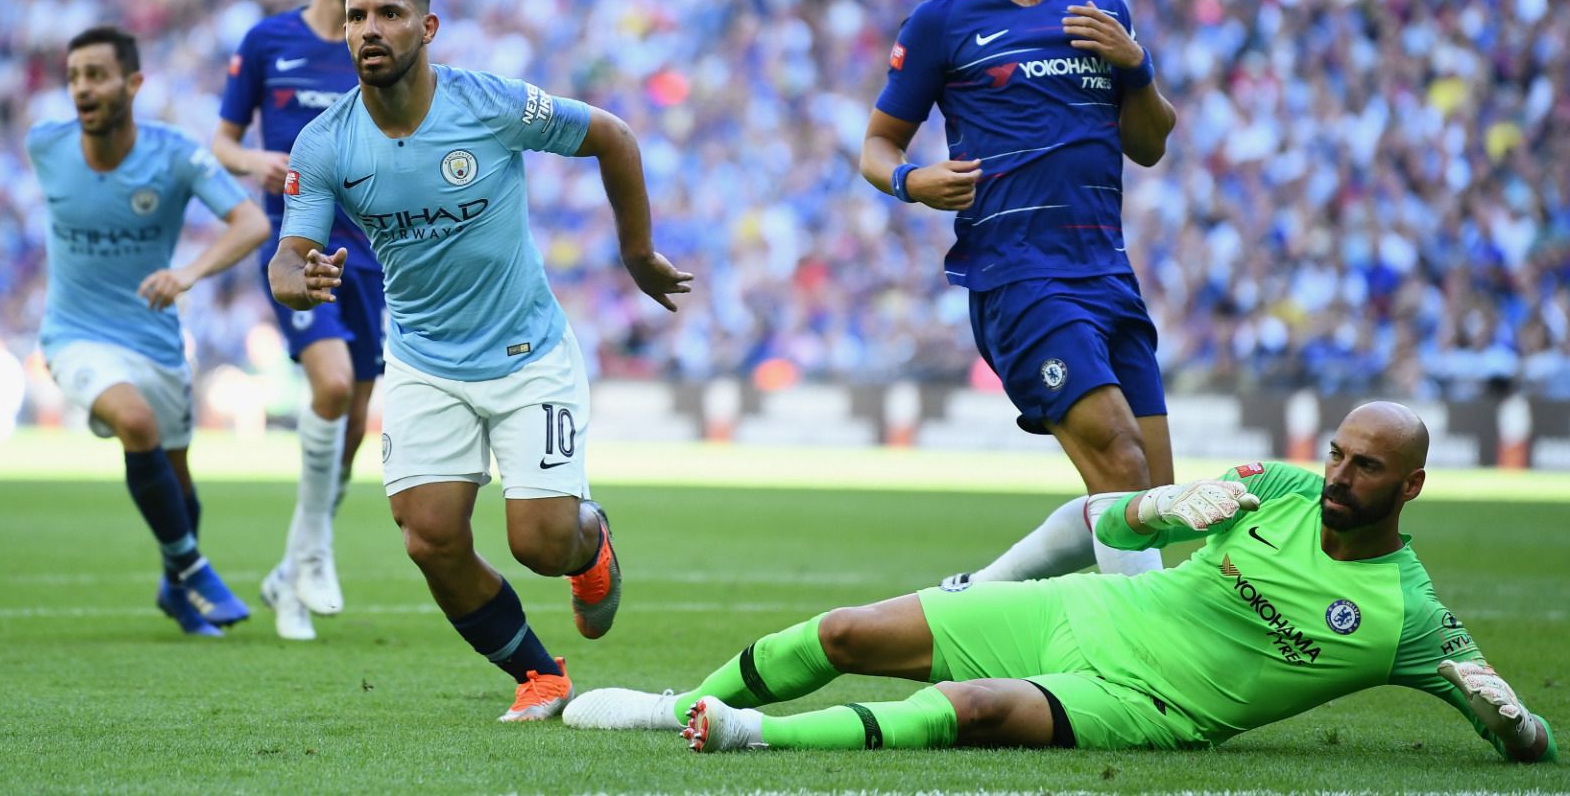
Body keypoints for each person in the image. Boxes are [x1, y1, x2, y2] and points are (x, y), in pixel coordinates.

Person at [564, 403, 1558, 765]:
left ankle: (748, 735)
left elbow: (1529, 741)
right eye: (1337, 453)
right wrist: (1161, 507)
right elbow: (1106, 524)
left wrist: (1514, 727)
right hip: (1089, 609)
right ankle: (675, 705)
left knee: (972, 709)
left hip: (1149, 704)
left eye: (1365, 467)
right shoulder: (1280, 489)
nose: (1338, 476)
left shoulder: (1411, 618)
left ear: (1410, 486)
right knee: (845, 632)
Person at [269, 0, 692, 720]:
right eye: (357, 16)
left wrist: (636, 254)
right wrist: (299, 278)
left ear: (427, 27)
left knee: (540, 545)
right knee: (428, 539)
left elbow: (615, 135)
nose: (370, 29)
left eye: (389, 14)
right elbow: (288, 258)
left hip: (528, 355)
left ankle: (590, 539)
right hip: (425, 362)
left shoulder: (491, 105)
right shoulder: (325, 143)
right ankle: (539, 675)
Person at [859, 0, 1180, 584]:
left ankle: (976, 595)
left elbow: (1149, 145)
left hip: (1106, 271)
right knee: (1121, 463)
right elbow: (876, 145)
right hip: (1017, 274)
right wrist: (910, 181)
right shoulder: (942, 24)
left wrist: (1136, 65)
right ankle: (1151, 649)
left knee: (1153, 500)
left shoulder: (1099, 5)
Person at [28, 25, 271, 637]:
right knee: (135, 423)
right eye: (74, 77)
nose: (83, 88)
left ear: (132, 83)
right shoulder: (46, 145)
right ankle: (193, 568)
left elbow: (251, 224)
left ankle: (175, 589)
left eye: (97, 75)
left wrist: (187, 273)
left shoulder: (175, 154)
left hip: (155, 339)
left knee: (180, 485)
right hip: (74, 334)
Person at [211, 0, 398, 641]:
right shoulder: (268, 41)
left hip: (372, 253)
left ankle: (292, 570)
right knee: (329, 386)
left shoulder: (378, 47)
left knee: (353, 421)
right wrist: (254, 160)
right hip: (299, 249)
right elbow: (223, 142)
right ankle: (311, 562)